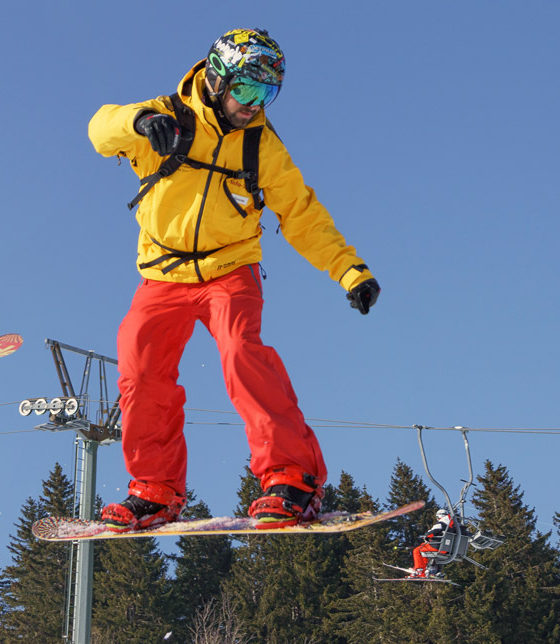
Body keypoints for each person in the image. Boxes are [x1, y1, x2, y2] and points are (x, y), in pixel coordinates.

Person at [88, 29, 381, 532]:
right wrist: (140, 122)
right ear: (218, 78)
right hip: (161, 273)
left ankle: (292, 477)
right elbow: (99, 129)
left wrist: (349, 270)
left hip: (230, 269)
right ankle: (154, 490)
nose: (254, 104)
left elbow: (302, 215)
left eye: (267, 94)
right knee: (140, 370)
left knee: (241, 353)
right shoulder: (166, 116)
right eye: (246, 90)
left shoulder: (261, 147)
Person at [412, 508, 462, 577]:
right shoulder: (452, 526)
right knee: (423, 547)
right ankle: (435, 571)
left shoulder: (441, 524)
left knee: (417, 550)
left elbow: (430, 533)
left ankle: (419, 570)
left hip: (437, 547)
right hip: (447, 549)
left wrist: (426, 536)